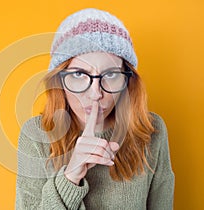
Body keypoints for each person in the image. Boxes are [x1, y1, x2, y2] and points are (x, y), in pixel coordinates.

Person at [15, 8, 175, 209]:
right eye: (79, 74)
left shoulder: (152, 131)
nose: (95, 94)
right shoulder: (36, 135)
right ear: (59, 80)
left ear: (128, 81)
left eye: (110, 75)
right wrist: (71, 176)